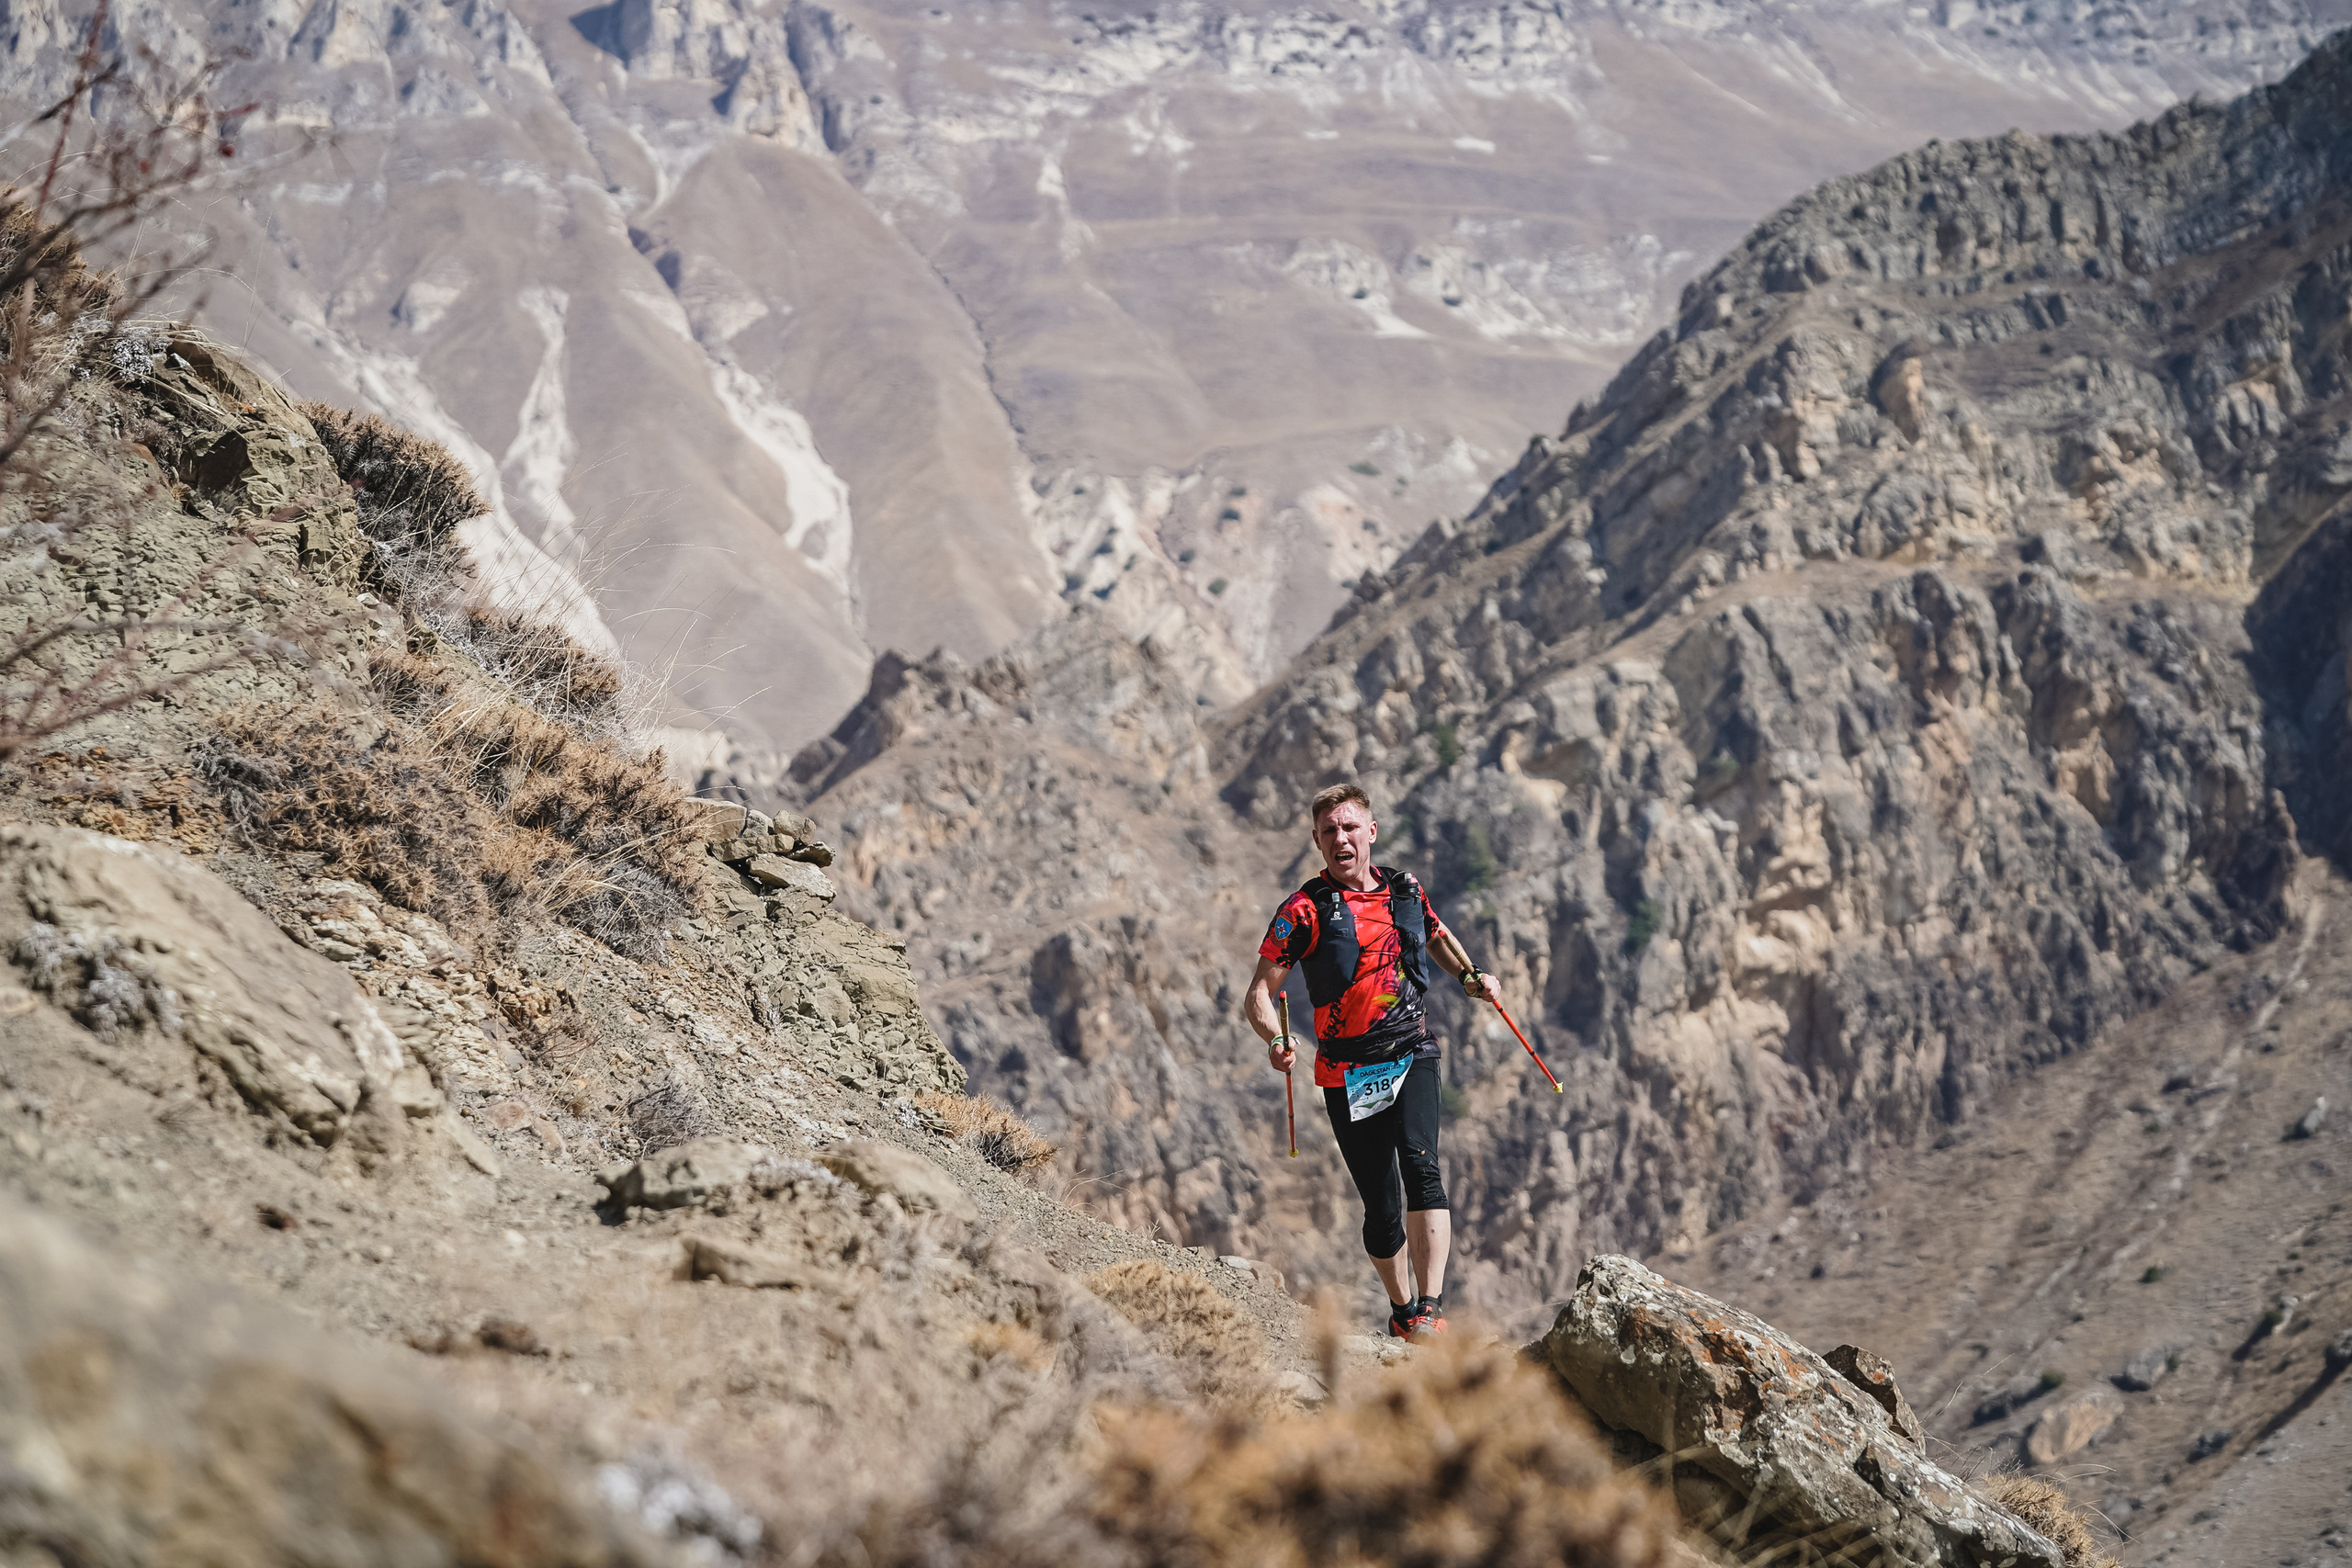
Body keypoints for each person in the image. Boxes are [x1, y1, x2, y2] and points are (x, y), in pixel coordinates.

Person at [1246, 782, 1501, 1340]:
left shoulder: (1406, 889)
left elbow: (1435, 934)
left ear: (1371, 832)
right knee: (1381, 1202)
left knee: (1422, 1166)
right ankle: (1403, 1309)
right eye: (1329, 831)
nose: (1341, 837)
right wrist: (1275, 1039)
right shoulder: (1302, 910)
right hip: (1348, 1072)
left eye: (1349, 826)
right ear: (1317, 842)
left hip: (1413, 1051)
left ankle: (1429, 1310)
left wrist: (1470, 976)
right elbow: (1259, 995)